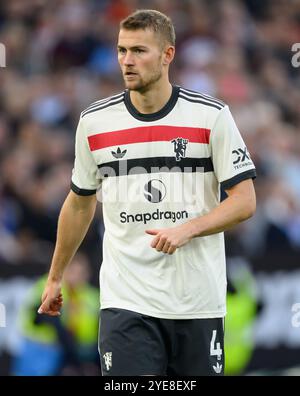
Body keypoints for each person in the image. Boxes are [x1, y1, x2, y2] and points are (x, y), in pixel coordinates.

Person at [38, 9, 256, 376]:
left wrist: (188, 228)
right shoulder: (94, 123)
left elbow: (244, 200)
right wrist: (56, 275)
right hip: (126, 304)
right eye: (122, 50)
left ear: (168, 55)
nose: (127, 60)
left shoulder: (211, 116)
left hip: (196, 304)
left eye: (139, 50)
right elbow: (79, 203)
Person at [14, 253, 100, 376]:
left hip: (79, 352)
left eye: (82, 272)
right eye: (73, 271)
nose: (77, 277)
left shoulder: (92, 296)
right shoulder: (48, 287)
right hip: (41, 347)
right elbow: (46, 320)